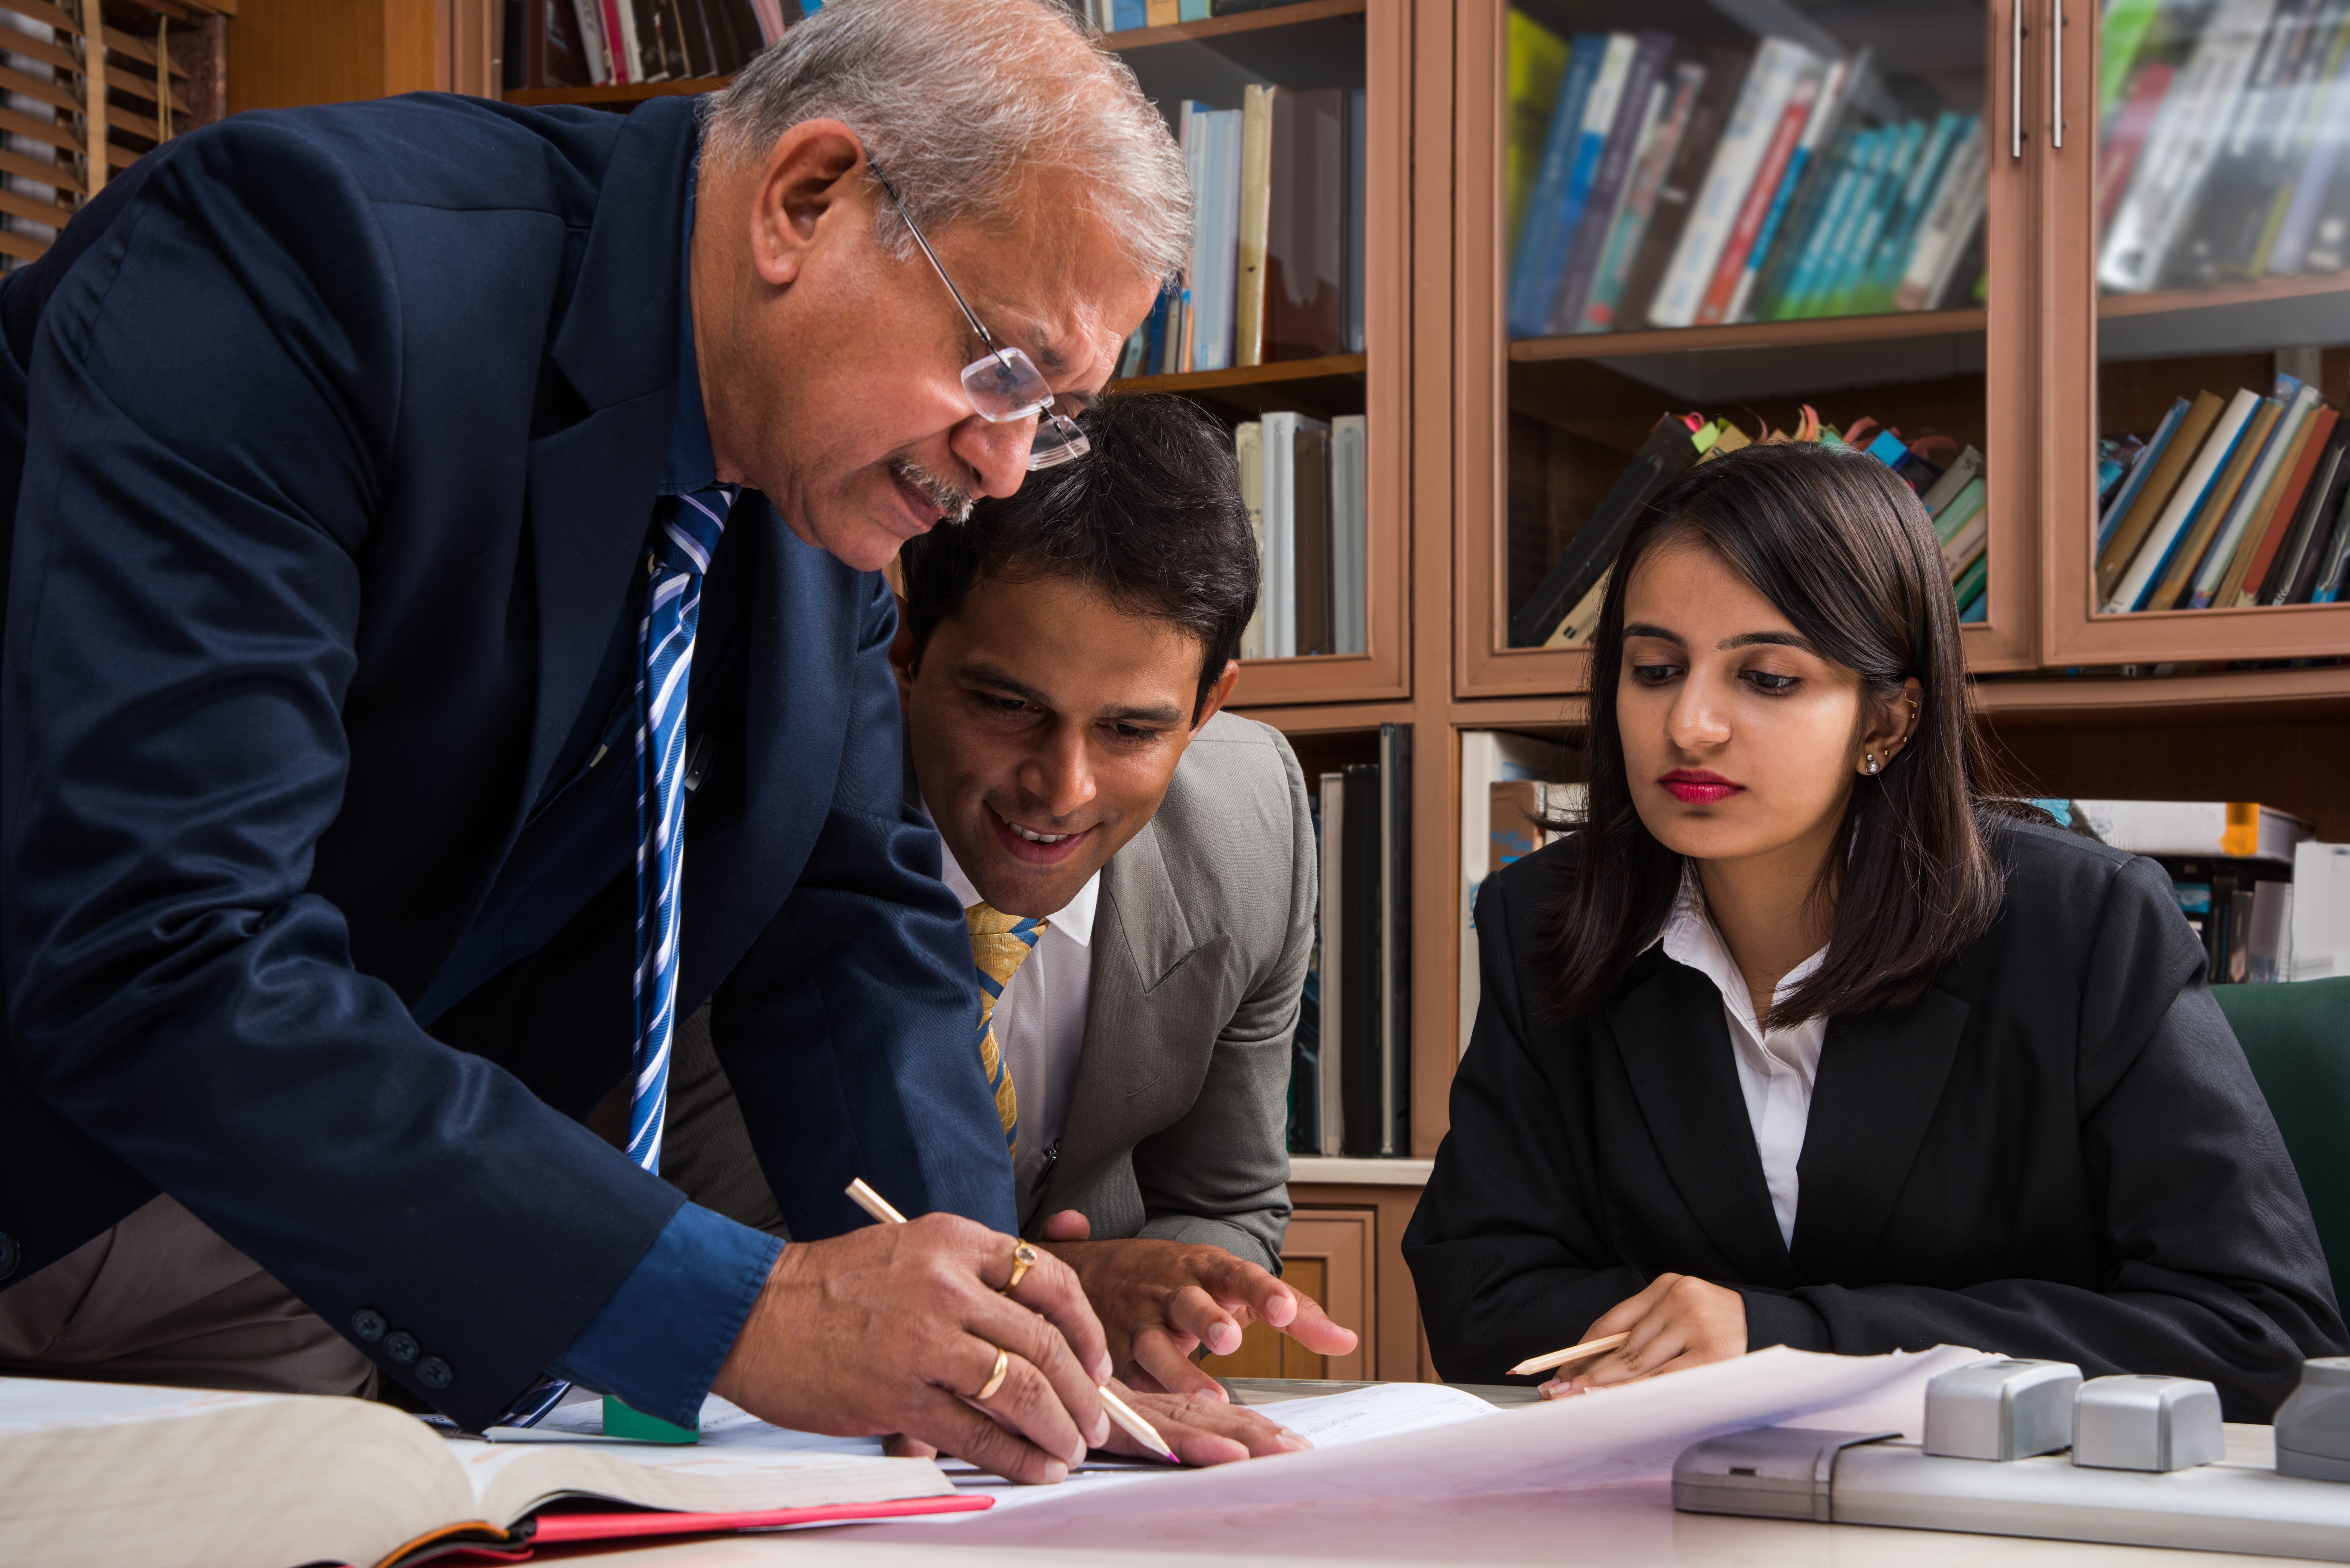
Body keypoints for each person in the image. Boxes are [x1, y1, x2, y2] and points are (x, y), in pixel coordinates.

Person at [0, 0, 1194, 1483]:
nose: (1007, 469)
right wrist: (740, 1308)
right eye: (1004, 372)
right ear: (805, 202)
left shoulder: (814, 470)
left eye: (1056, 414)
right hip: (67, 1158)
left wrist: (1004, 1344)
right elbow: (164, 938)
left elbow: (849, 926)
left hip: (354, 1242)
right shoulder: (303, 262)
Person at [1403, 440, 2346, 1421]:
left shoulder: (2084, 927)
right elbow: (1482, 1294)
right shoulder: (1544, 919)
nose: (1690, 725)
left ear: (1887, 722)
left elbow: (2259, 1332)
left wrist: (1788, 1343)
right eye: (1653, 668)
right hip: (1674, 1496)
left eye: (1767, 678)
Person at [654, 392, 1359, 1464]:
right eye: (1006, 705)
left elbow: (1224, 1199)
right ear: (903, 652)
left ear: (1209, 705)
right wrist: (1051, 1293)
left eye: (1132, 729)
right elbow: (707, 1223)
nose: (1061, 788)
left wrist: (1172, 1305)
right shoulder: (748, 818)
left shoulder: (1258, 824)